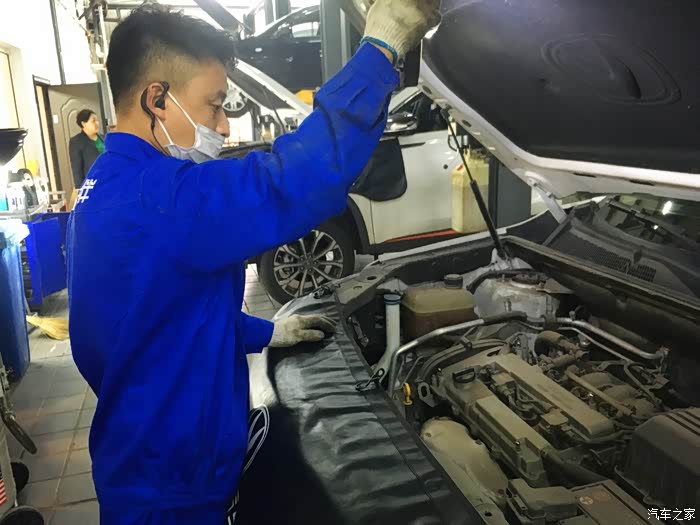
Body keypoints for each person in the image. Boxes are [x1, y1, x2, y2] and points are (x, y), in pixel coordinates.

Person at [66, 1, 440, 524]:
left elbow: (153, 318)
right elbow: (295, 179)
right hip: (174, 490)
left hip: (142, 463)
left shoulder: (107, 186)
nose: (223, 125)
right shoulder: (162, 198)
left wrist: (263, 332)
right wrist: (382, 47)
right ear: (157, 99)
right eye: (214, 105)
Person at [68, 109, 104, 208]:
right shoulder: (77, 141)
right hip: (92, 184)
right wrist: (80, 188)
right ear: (83, 123)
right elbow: (76, 167)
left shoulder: (103, 138)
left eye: (97, 120)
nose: (97, 123)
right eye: (93, 121)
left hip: (107, 181)